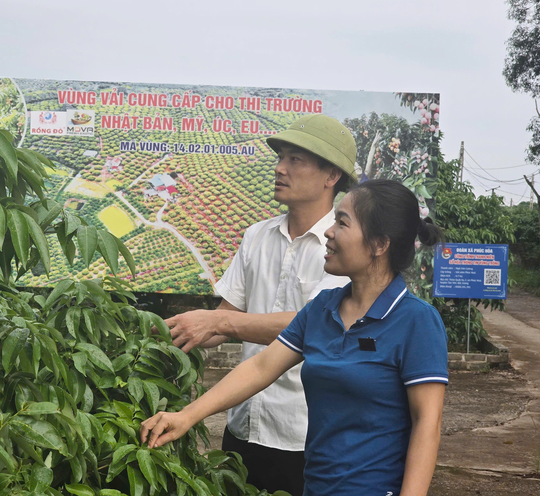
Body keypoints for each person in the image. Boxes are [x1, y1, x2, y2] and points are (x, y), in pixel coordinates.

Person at [142, 179, 448, 496]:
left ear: (378, 245)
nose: (329, 232)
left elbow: (427, 423)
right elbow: (261, 368)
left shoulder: (416, 321)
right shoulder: (321, 310)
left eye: (342, 223)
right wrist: (186, 416)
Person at [165, 114, 357, 495]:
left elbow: (315, 324)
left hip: (304, 434)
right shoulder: (257, 236)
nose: (280, 169)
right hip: (244, 426)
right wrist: (167, 334)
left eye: (295, 160)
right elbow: (226, 317)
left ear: (331, 175)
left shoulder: (344, 247)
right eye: (280, 158)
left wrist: (218, 324)